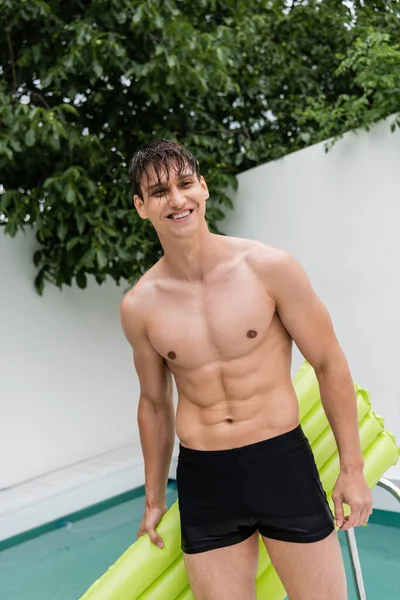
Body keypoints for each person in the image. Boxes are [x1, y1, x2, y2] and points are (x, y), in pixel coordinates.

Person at [120, 139, 372, 600]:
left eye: (184, 183)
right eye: (159, 192)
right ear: (141, 207)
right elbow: (155, 404)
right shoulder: (140, 306)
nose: (176, 199)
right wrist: (154, 499)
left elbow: (328, 362)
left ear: (204, 188)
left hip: (281, 462)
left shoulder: (268, 268)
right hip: (205, 476)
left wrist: (352, 469)